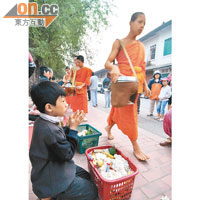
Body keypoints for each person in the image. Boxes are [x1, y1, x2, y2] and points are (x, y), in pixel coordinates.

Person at [30, 81, 98, 200]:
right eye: (62, 101)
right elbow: (68, 154)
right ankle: (52, 196)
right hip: (51, 179)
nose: (66, 104)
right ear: (49, 107)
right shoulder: (49, 129)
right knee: (92, 190)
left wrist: (69, 126)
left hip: (54, 167)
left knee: (88, 177)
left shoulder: (43, 121)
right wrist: (73, 129)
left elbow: (59, 137)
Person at [104, 12, 151, 161]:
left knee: (118, 109)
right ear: (130, 23)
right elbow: (107, 63)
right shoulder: (119, 42)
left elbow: (142, 68)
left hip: (135, 84)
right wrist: (115, 68)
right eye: (139, 22)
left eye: (144, 23)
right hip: (123, 83)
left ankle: (109, 127)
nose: (142, 26)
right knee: (129, 114)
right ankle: (135, 145)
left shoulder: (141, 46)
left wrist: (146, 85)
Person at [70, 55, 92, 121]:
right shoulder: (75, 70)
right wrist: (74, 84)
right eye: (76, 62)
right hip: (76, 88)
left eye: (79, 62)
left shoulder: (88, 70)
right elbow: (72, 78)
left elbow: (87, 80)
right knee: (75, 102)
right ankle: (76, 114)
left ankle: (83, 116)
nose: (77, 64)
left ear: (83, 62)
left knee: (83, 103)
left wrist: (81, 86)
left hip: (82, 88)